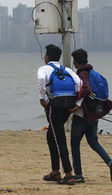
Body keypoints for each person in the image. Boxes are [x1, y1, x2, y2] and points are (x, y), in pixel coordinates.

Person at [70, 48, 112, 184]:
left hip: (83, 115)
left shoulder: (82, 74)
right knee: (93, 142)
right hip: (94, 114)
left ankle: (78, 174)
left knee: (74, 143)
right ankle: (110, 163)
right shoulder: (92, 73)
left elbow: (87, 90)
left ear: (75, 61)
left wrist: (75, 98)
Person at [37, 44, 82, 185]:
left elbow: (41, 81)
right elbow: (80, 84)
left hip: (54, 107)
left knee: (58, 140)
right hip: (67, 107)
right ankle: (55, 172)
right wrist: (78, 104)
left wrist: (42, 99)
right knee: (51, 136)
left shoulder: (43, 69)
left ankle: (68, 175)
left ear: (47, 57)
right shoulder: (67, 69)